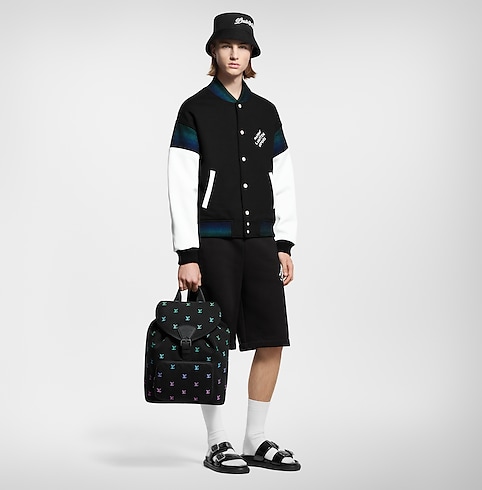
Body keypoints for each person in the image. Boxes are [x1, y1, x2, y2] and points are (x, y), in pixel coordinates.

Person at [167, 12, 300, 474]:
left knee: (271, 338)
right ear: (214, 51)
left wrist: (284, 242)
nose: (234, 54)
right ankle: (217, 442)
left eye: (242, 46)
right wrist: (188, 253)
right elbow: (181, 181)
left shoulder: (267, 112)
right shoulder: (195, 110)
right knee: (211, 342)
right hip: (214, 244)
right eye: (226, 45)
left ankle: (255, 440)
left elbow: (282, 178)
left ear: (251, 54)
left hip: (262, 241)